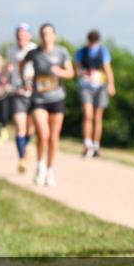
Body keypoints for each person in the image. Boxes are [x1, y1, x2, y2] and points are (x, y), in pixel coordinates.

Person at [22, 23, 74, 187]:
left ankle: (50, 169)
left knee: (53, 137)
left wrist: (61, 72)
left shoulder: (62, 52)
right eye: (43, 34)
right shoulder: (34, 53)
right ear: (40, 36)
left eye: (49, 33)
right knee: (43, 134)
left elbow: (71, 73)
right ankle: (40, 166)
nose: (46, 37)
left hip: (57, 98)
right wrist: (25, 81)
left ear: (54, 36)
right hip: (39, 99)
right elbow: (22, 64)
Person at [75, 30, 116, 159]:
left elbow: (108, 69)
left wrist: (111, 85)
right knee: (88, 115)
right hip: (85, 86)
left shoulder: (103, 51)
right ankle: (87, 145)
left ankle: (96, 146)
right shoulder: (81, 52)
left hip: (100, 87)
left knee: (98, 118)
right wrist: (83, 73)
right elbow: (77, 70)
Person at [10, 24, 37, 173]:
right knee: (20, 127)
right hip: (18, 93)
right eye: (18, 35)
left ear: (29, 36)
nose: (20, 38)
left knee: (30, 128)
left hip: (33, 94)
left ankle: (26, 148)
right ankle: (22, 159)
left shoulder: (35, 49)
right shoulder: (11, 51)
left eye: (23, 35)